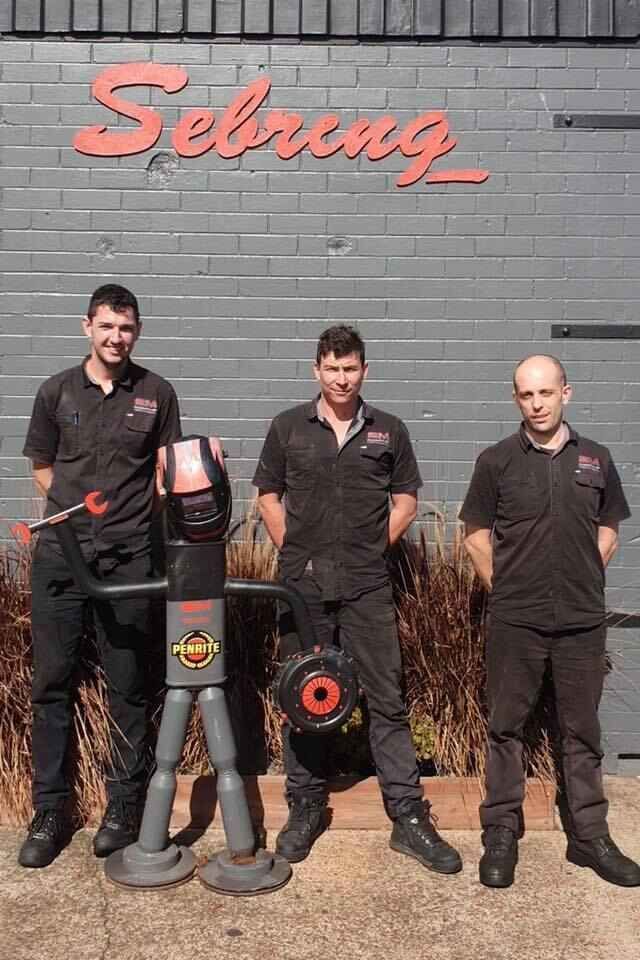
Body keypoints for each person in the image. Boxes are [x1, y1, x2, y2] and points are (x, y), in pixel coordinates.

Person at [252, 325, 462, 875]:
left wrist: (371, 551)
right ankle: (304, 808)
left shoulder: (388, 431)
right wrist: (293, 551)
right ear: (316, 370)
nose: (341, 378)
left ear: (363, 371)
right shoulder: (288, 428)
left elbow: (407, 501)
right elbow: (267, 494)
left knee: (386, 700)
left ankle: (409, 817)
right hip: (303, 590)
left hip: (368, 588)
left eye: (350, 369)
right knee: (305, 700)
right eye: (332, 368)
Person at [461, 354, 640, 888]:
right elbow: (475, 535)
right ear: (516, 399)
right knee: (505, 728)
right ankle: (500, 832)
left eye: (545, 392)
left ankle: (589, 837)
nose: (536, 404)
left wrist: (583, 573)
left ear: (567, 392)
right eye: (526, 395)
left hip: (582, 620)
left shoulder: (596, 460)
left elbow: (608, 527)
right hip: (516, 622)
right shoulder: (496, 462)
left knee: (581, 731)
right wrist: (509, 588)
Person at [19, 284, 182, 868]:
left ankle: (123, 806)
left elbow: (166, 475)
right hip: (62, 560)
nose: (117, 337)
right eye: (108, 326)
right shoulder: (56, 391)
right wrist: (72, 518)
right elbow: (42, 466)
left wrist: (133, 524)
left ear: (137, 332)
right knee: (52, 685)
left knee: (128, 685)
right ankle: (50, 811)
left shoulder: (157, 394)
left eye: (127, 328)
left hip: (129, 561)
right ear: (86, 326)